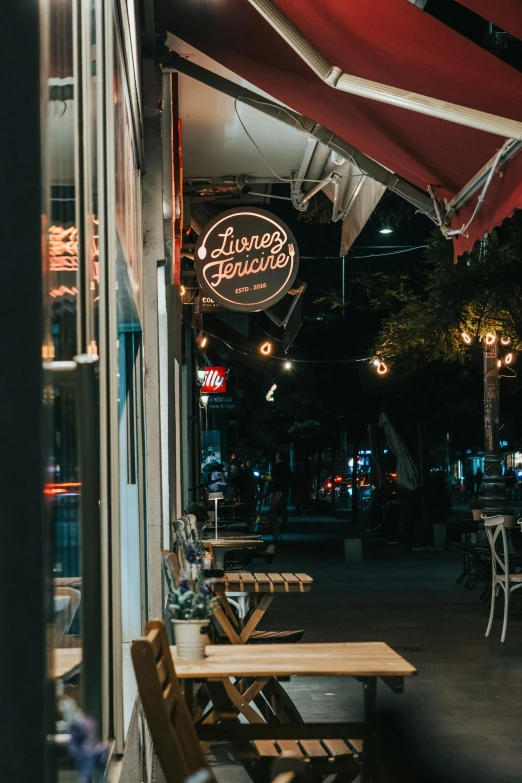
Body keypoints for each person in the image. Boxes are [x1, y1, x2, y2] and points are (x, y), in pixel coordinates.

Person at [271, 452, 292, 526]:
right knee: (283, 505)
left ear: (278, 457)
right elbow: (290, 478)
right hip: (284, 488)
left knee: (275, 505)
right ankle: (284, 520)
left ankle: (275, 521)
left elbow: (272, 478)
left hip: (277, 488)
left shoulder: (276, 466)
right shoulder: (287, 467)